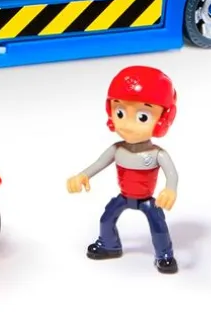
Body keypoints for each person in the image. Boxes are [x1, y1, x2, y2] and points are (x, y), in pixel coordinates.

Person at [66, 65, 179, 274]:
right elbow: (99, 164)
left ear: (163, 118)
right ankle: (109, 245)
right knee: (106, 218)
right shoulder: (117, 149)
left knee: (158, 225)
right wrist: (82, 176)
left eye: (142, 116)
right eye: (120, 113)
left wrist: (170, 190)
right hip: (124, 196)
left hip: (147, 200)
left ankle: (164, 255)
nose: (127, 125)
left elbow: (172, 175)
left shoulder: (157, 154)